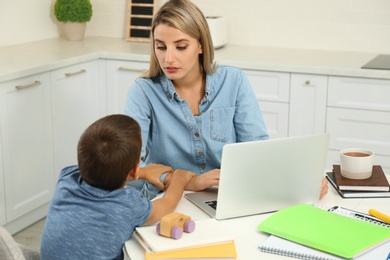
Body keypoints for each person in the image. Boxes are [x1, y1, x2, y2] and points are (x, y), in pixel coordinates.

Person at [124, 0, 328, 200]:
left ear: (201, 46)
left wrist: (298, 179)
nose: (168, 58)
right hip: (166, 196)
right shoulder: (143, 91)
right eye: (161, 47)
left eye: (181, 46)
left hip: (227, 195)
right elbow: (132, 167)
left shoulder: (233, 81)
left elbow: (256, 149)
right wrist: (188, 181)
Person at [40, 114, 194, 260]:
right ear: (133, 171)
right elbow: (167, 204)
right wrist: (180, 177)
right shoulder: (126, 205)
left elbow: (101, 169)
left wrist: (142, 173)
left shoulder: (67, 178)